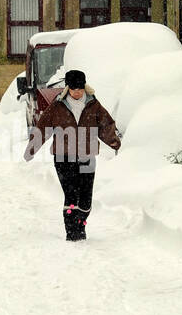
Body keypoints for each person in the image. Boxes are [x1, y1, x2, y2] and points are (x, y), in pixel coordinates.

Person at [23, 69, 121, 241]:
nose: (77, 92)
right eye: (74, 88)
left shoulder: (93, 104)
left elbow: (106, 125)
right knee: (71, 195)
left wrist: (115, 142)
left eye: (80, 88)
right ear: (68, 87)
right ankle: (72, 232)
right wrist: (31, 149)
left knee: (85, 200)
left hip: (86, 156)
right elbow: (43, 128)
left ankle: (80, 224)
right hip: (63, 157)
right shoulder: (58, 105)